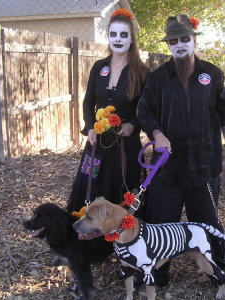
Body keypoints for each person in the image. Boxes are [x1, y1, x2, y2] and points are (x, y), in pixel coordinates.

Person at [137, 14, 225, 287]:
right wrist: (156, 134)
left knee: (208, 224)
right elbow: (143, 112)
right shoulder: (158, 78)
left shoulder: (213, 75)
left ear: (194, 40)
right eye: (174, 40)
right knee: (160, 225)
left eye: (185, 38)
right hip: (167, 169)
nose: (180, 44)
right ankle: (156, 277)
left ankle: (217, 272)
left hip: (204, 167)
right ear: (169, 45)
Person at [67, 8, 150, 214]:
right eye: (113, 34)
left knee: (122, 189)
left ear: (132, 39)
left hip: (126, 146)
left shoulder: (142, 72)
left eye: (124, 34)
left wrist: (134, 125)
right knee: (88, 181)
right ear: (108, 37)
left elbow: (148, 110)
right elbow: (88, 103)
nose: (118, 39)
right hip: (97, 144)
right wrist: (90, 129)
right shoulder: (98, 67)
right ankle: (90, 238)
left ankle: (121, 238)